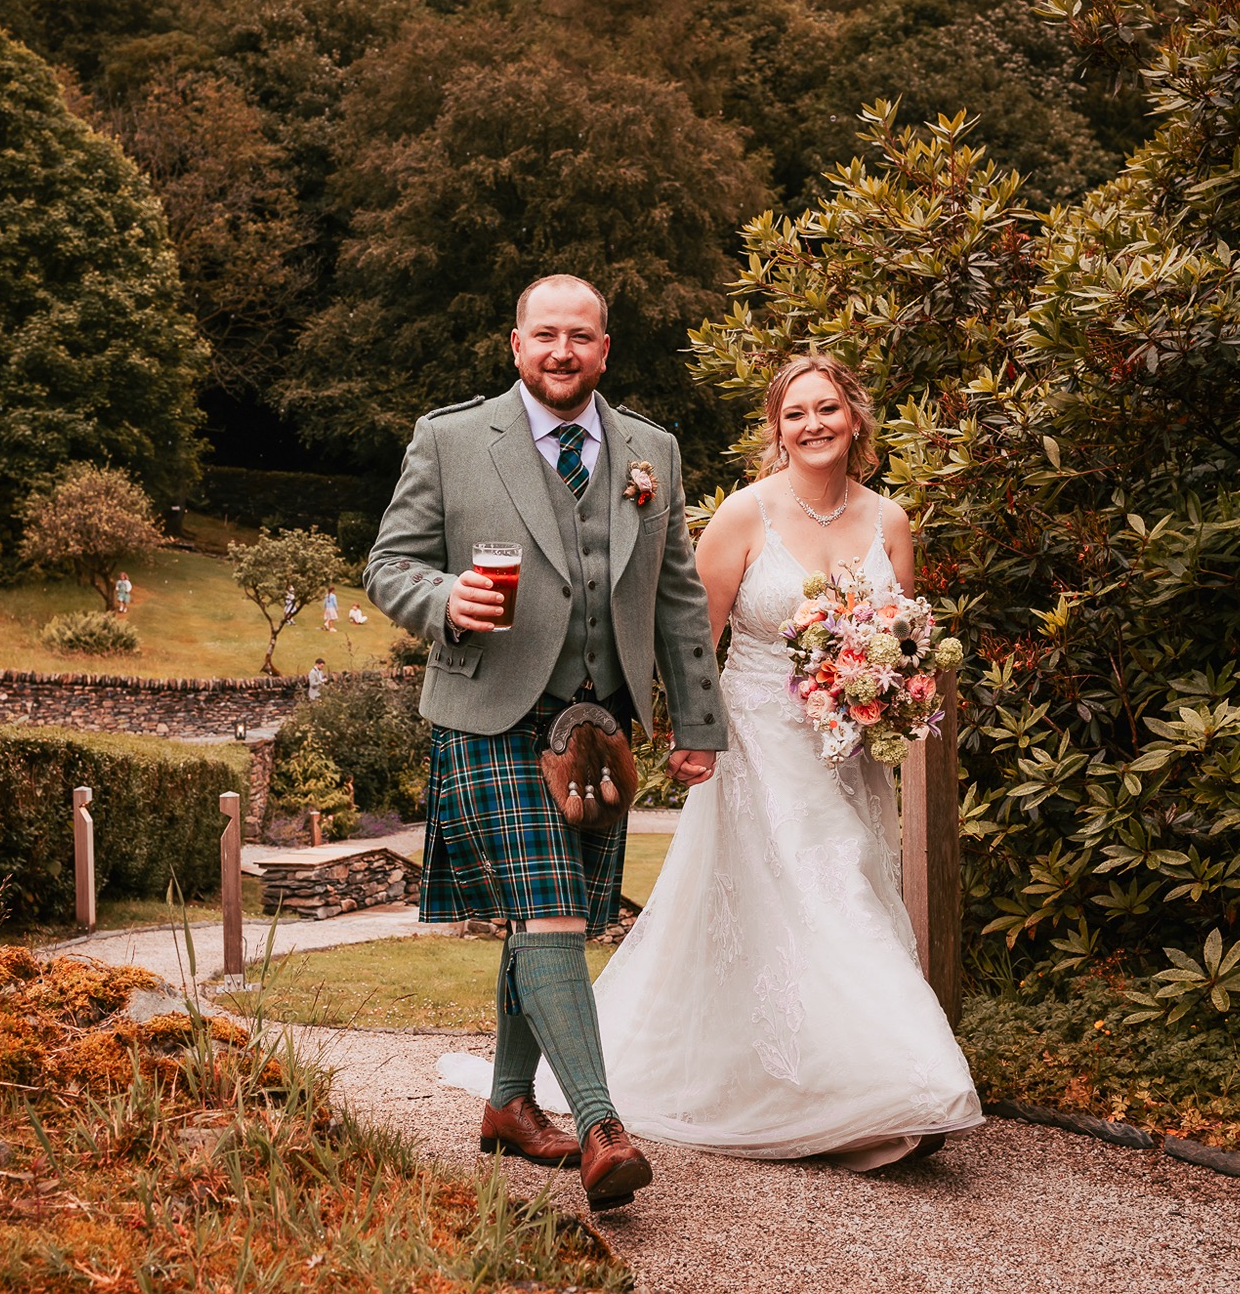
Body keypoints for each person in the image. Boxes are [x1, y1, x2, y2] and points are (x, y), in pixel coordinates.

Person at [442, 355, 983, 1165]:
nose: (813, 424)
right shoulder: (744, 513)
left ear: (855, 419)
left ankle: (853, 1087)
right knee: (825, 894)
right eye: (795, 412)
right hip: (761, 743)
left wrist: (884, 686)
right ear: (777, 429)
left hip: (847, 752)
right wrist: (690, 729)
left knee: (850, 896)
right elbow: (693, 631)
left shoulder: (890, 519)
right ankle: (908, 1087)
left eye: (827, 408)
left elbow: (903, 637)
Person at [365, 274, 726, 1211]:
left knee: (545, 917)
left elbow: (679, 594)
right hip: (488, 714)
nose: (562, 352)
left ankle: (509, 1103)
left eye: (582, 336)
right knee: (557, 913)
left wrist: (697, 723)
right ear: (515, 344)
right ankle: (604, 1126)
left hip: (599, 727)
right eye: (545, 336)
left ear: (605, 348)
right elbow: (387, 563)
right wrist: (443, 599)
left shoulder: (652, 449)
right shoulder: (450, 438)